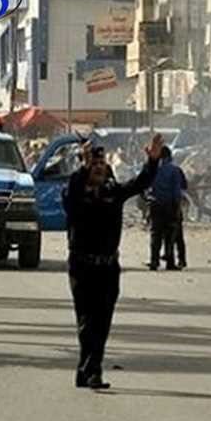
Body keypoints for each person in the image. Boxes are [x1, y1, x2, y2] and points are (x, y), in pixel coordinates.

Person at [63, 133, 163, 389]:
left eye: (101, 164)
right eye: (93, 165)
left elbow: (140, 183)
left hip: (108, 267)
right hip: (82, 267)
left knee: (102, 320)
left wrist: (153, 161)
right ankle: (90, 370)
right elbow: (72, 190)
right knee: (87, 321)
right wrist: (83, 166)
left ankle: (88, 370)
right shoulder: (75, 194)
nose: (98, 168)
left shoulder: (114, 193)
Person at [149, 146, 186, 270]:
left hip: (155, 205)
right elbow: (177, 190)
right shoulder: (175, 170)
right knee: (171, 234)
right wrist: (177, 207)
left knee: (156, 234)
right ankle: (170, 262)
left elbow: (145, 188)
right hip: (170, 205)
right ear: (169, 156)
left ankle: (154, 261)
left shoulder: (151, 169)